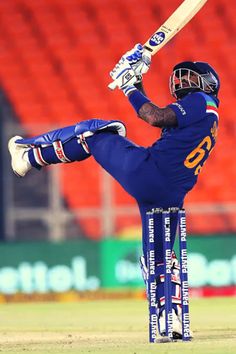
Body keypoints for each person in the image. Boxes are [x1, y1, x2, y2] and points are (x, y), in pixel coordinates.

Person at [8, 44, 220, 339]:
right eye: (180, 78)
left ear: (209, 84)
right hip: (170, 193)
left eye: (190, 78)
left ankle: (28, 156)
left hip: (146, 173)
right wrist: (137, 80)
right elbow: (158, 117)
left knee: (100, 132)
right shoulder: (205, 117)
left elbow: (153, 117)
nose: (182, 82)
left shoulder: (202, 101)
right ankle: (167, 320)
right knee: (160, 258)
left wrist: (128, 86)